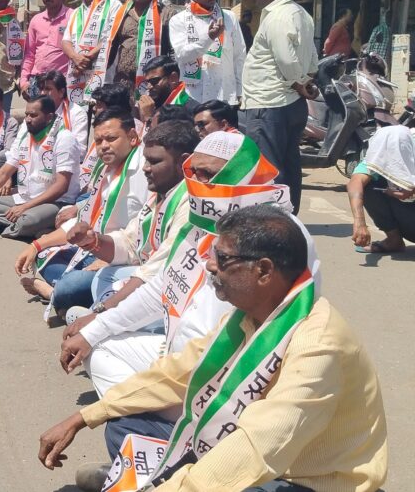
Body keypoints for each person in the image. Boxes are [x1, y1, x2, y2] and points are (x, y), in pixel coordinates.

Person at [39, 205, 387, 492]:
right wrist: (85, 416)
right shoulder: (247, 317)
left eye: (222, 257)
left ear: (264, 271)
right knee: (124, 424)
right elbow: (177, 373)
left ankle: (148, 480)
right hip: (241, 445)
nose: (209, 264)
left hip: (298, 480)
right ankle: (150, 479)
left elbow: (258, 447)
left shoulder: (318, 345)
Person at [59, 132, 290, 405]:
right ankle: (145, 412)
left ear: (242, 175)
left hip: (226, 369)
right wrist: (95, 327)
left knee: (84, 291)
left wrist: (99, 316)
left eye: (208, 174)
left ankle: (149, 416)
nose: (198, 182)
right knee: (97, 346)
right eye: (194, 172)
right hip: (176, 344)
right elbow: (162, 284)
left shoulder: (277, 235)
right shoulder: (201, 216)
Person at [17, 109, 148, 318]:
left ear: (132, 137)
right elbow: (83, 222)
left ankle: (53, 293)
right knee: (42, 256)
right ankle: (70, 297)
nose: (104, 146)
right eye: (99, 141)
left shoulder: (145, 173)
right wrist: (36, 245)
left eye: (111, 138)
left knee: (70, 286)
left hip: (123, 261)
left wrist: (107, 258)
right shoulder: (105, 170)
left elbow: (145, 237)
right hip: (92, 249)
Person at [240, 0, 319, 214]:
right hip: (288, 102)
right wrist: (305, 81)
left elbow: (286, 59)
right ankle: (288, 218)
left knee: (269, 167)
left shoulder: (278, 16)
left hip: (270, 102)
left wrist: (300, 82)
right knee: (289, 164)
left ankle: (275, 220)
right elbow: (312, 58)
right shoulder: (301, 14)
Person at [0, 95, 81, 239]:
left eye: (33, 115)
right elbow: (5, 172)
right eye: (26, 115)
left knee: (28, 220)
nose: (28, 119)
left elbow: (61, 187)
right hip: (26, 197)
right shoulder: (26, 135)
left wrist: (24, 208)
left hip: (56, 202)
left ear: (49, 117)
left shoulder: (64, 138)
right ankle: (25, 227)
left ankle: (11, 226)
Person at [169, 0, 245, 107]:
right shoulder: (179, 20)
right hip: (194, 95)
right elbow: (182, 55)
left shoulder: (229, 17)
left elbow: (239, 56)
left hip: (225, 95)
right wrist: (208, 38)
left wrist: (240, 91)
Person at [107, 0, 179, 96]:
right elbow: (111, 46)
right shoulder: (120, 14)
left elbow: (174, 50)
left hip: (154, 84)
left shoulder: (166, 13)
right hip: (124, 81)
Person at [348, 125, 415, 253]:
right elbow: (355, 182)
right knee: (369, 186)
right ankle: (394, 240)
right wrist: (359, 222)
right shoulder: (381, 149)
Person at [62, 0, 121, 106]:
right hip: (77, 74)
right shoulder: (76, 12)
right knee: (79, 114)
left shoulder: (114, 5)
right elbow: (65, 41)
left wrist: (86, 59)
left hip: (102, 73)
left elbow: (111, 37)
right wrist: (76, 58)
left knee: (100, 112)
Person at [20, 0, 73, 99]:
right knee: (36, 112)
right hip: (37, 80)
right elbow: (29, 53)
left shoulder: (73, 16)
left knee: (62, 112)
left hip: (62, 81)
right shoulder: (36, 20)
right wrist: (24, 81)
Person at [38, 69, 89, 156]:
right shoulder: (35, 112)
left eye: (48, 89)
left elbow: (80, 150)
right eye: (41, 89)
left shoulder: (77, 113)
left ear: (61, 92)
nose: (42, 93)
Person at [136, 55, 196, 128]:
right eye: (147, 82)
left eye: (154, 81)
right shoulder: (155, 107)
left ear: (173, 78)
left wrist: (149, 119)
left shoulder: (192, 110)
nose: (149, 87)